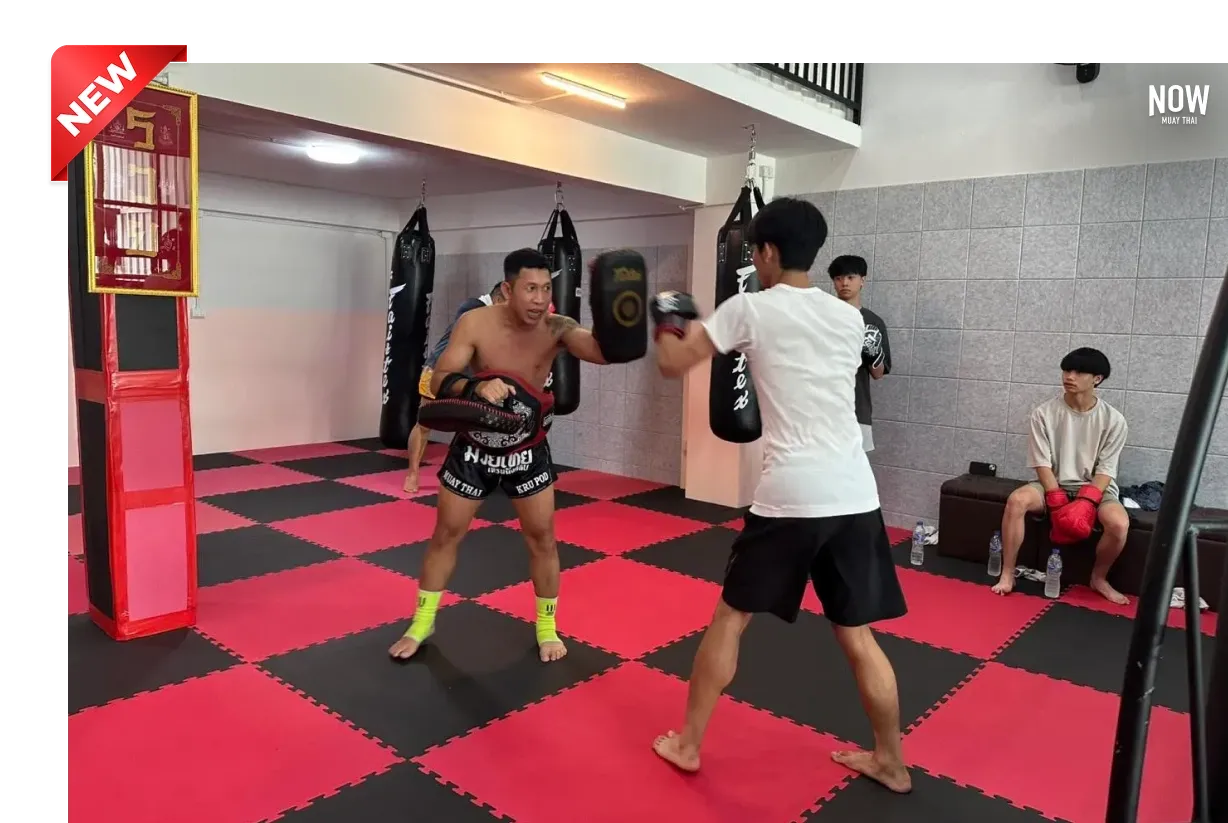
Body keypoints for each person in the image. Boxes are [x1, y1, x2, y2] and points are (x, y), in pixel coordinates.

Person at [647, 197, 912, 793]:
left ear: (765, 252)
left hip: (791, 496)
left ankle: (688, 745)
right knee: (857, 635)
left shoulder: (750, 308)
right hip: (855, 493)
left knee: (730, 620)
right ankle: (891, 761)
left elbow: (673, 363)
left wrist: (667, 316)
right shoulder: (849, 318)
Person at [388, 248, 612, 664]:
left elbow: (600, 351)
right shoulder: (475, 323)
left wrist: (615, 309)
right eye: (530, 289)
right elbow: (438, 379)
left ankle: (546, 628)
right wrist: (475, 387)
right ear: (508, 290)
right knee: (446, 534)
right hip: (474, 449)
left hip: (527, 450)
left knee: (542, 539)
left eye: (546, 289)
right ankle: (422, 622)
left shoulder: (557, 326)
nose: (539, 299)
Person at [991, 348, 1130, 604]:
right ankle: (1007, 573)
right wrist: (1056, 499)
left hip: (1094, 487)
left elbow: (1106, 469)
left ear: (1097, 379)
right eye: (1067, 370)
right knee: (1017, 501)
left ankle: (1099, 578)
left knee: (1119, 524)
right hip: (1052, 483)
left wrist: (1086, 502)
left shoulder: (1114, 420)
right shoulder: (1043, 413)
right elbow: (1041, 463)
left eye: (1079, 372)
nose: (1069, 376)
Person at [404, 282, 506, 493]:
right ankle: (412, 474)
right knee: (424, 424)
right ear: (497, 299)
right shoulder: (472, 308)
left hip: (463, 378)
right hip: (436, 371)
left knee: (467, 426)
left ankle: (462, 475)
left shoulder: (492, 316)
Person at [829, 255, 891, 452]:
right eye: (838, 278)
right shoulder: (823, 316)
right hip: (822, 408)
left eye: (850, 277)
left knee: (853, 467)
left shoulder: (872, 322)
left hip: (856, 409)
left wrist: (872, 352)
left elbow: (878, 373)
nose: (844, 283)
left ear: (862, 280)